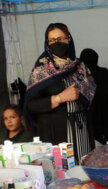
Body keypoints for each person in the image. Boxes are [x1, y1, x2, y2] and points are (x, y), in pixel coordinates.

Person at [24, 23, 96, 163]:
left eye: (61, 39)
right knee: (64, 173)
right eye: (52, 40)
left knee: (85, 170)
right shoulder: (42, 69)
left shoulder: (80, 66)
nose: (57, 43)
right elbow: (30, 105)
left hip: (82, 128)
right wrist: (59, 98)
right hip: (56, 133)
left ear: (69, 39)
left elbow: (90, 96)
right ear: (47, 43)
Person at [80, 48, 108, 145]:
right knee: (107, 147)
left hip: (88, 118)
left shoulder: (80, 75)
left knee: (90, 147)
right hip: (105, 115)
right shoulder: (105, 73)